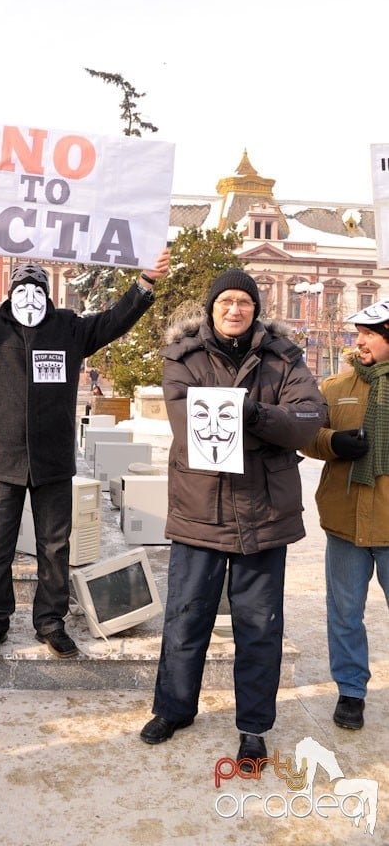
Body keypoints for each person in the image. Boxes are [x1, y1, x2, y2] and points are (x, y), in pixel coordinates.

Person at [0, 226, 170, 659]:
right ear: (10, 296)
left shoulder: (69, 330)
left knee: (55, 547)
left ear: (48, 296)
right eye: (21, 289)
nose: (29, 297)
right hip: (3, 464)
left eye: (36, 289)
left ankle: (50, 623)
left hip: (53, 464)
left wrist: (145, 283)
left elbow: (116, 319)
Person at [140, 269, 326, 766]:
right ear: (211, 307)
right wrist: (267, 423)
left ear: (255, 308)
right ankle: (174, 708)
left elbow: (309, 419)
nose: (235, 310)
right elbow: (193, 428)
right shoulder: (183, 358)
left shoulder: (285, 358)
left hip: (265, 514)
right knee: (185, 617)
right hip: (201, 510)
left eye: (244, 301)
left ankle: (253, 726)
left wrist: (254, 416)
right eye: (226, 301)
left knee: (259, 626)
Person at [301, 298, 389, 730]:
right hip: (346, 521)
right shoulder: (337, 386)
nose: (359, 342)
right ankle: (351, 691)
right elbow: (305, 434)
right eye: (359, 333)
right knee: (345, 612)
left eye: (370, 334)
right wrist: (333, 443)